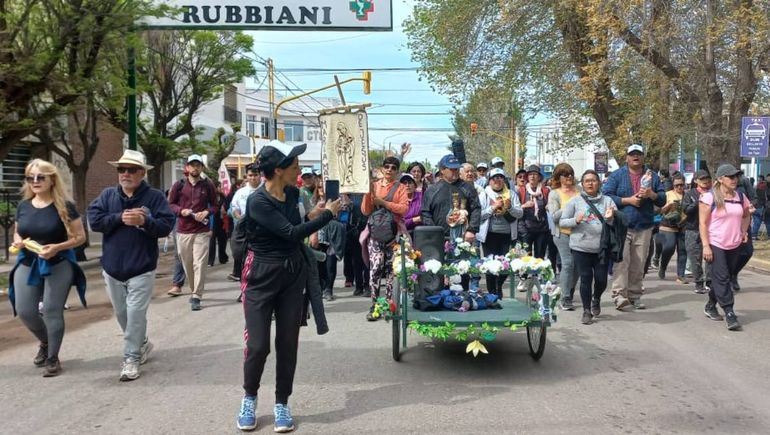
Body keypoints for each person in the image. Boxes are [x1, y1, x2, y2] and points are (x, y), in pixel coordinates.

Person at [236, 140, 341, 432]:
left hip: (292, 275)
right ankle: (250, 396)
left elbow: (298, 220)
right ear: (279, 170)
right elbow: (292, 233)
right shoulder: (257, 201)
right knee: (258, 346)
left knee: (287, 343)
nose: (299, 168)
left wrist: (316, 212)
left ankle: (282, 402)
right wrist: (329, 215)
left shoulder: (294, 192)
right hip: (260, 276)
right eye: (294, 164)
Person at [87, 149, 175, 381]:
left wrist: (145, 221)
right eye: (121, 169)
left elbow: (166, 225)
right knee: (122, 313)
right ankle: (142, 342)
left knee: (135, 313)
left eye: (131, 169)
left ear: (142, 173)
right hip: (112, 268)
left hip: (142, 267)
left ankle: (131, 358)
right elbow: (94, 220)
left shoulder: (155, 197)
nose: (125, 173)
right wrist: (119, 218)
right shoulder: (107, 196)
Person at [9, 159, 87, 377]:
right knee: (25, 311)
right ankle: (45, 342)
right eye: (30, 177)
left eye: (40, 177)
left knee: (52, 310)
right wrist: (18, 241)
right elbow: (18, 231)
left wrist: (58, 247)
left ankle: (53, 357)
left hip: (58, 262)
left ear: (52, 179)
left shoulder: (64, 206)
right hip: (27, 261)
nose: (35, 181)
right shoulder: (23, 206)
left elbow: (80, 237)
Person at [602, 144, 665, 310]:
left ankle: (635, 295)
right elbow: (606, 196)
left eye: (638, 154)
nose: (635, 157)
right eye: (632, 154)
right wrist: (627, 200)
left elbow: (663, 199)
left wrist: (651, 194)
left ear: (643, 157)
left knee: (639, 263)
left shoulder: (652, 176)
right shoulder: (617, 176)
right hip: (622, 226)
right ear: (627, 157)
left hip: (644, 226)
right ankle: (619, 296)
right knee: (622, 261)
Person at [559, 170, 617, 325]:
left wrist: (612, 218)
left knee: (601, 280)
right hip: (580, 247)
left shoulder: (608, 201)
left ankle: (596, 298)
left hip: (602, 247)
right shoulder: (575, 201)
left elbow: (617, 222)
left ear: (599, 183)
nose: (590, 183)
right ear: (583, 184)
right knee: (585, 278)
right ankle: (586, 310)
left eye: (593, 180)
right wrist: (575, 221)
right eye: (587, 181)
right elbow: (562, 222)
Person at [699, 164, 751, 331]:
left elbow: (746, 214)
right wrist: (706, 246)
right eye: (730, 177)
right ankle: (729, 312)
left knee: (724, 277)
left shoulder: (741, 197)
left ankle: (710, 305)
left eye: (736, 176)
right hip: (716, 243)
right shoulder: (709, 197)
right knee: (722, 278)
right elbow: (702, 223)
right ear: (720, 179)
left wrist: (743, 231)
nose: (734, 180)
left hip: (734, 243)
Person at [168, 154, 219, 311]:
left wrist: (207, 212)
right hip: (183, 230)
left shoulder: (207, 185)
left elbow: (215, 206)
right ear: (187, 167)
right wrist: (180, 211)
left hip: (201, 231)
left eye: (198, 165)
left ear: (202, 168)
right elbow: (170, 204)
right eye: (192, 165)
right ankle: (193, 288)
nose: (195, 168)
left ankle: (197, 295)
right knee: (187, 263)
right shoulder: (179, 185)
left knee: (200, 263)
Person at [361, 156, 409, 321]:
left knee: (392, 271)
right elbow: (365, 211)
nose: (389, 169)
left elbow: (404, 209)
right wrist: (368, 194)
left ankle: (390, 305)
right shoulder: (373, 186)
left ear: (397, 171)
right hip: (375, 234)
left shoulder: (401, 188)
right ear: (382, 168)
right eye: (387, 166)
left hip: (394, 235)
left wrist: (384, 203)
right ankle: (374, 305)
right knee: (375, 270)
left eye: (393, 167)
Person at [477, 168, 523, 298]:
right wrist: (493, 207)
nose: (497, 180)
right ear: (489, 181)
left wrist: (509, 207)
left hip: (507, 235)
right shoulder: (484, 194)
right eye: (494, 178)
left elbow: (520, 213)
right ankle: (492, 293)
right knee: (490, 264)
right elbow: (479, 216)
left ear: (504, 180)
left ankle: (499, 286)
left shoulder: (512, 194)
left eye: (500, 178)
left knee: (506, 264)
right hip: (489, 235)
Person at [547, 162, 580, 310]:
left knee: (577, 267)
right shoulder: (555, 193)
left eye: (571, 174)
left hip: (580, 233)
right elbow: (554, 217)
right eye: (566, 174)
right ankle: (565, 298)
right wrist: (569, 205)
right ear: (559, 177)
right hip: (562, 234)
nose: (569, 177)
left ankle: (569, 291)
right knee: (568, 264)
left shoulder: (579, 191)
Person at [229, 164, 261, 284]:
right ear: (246, 176)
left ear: (260, 175)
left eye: (256, 175)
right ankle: (244, 289)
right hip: (244, 232)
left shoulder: (266, 190)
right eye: (250, 175)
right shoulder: (240, 192)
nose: (253, 178)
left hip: (261, 232)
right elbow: (234, 208)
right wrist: (239, 217)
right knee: (243, 260)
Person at [683, 170, 713, 294]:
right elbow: (686, 210)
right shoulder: (690, 194)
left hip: (710, 230)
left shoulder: (714, 194)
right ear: (696, 181)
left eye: (707, 178)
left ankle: (710, 283)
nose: (705, 181)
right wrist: (698, 202)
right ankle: (699, 283)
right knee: (695, 258)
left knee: (711, 258)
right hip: (693, 230)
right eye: (702, 179)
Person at [657, 173, 688, 283]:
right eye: (677, 185)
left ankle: (681, 275)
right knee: (669, 247)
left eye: (681, 185)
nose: (679, 187)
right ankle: (663, 266)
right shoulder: (668, 194)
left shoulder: (687, 195)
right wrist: (668, 206)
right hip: (668, 225)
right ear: (673, 186)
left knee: (683, 251)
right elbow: (660, 211)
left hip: (683, 226)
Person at [517, 165, 551, 259]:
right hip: (525, 228)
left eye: (535, 174)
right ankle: (524, 274)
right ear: (527, 177)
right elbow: (514, 209)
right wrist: (524, 205)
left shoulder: (545, 190)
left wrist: (549, 206)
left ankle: (538, 274)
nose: (532, 176)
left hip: (541, 228)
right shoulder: (521, 191)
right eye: (530, 174)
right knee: (525, 257)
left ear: (539, 177)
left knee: (540, 256)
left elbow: (549, 205)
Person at [342, 193, 369, 295]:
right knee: (356, 260)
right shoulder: (348, 194)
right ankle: (359, 286)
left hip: (367, 228)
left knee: (367, 258)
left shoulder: (368, 192)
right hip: (353, 229)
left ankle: (367, 286)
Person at [208, 180, 230, 267]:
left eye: (221, 187)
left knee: (222, 241)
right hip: (213, 222)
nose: (220, 188)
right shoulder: (210, 197)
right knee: (212, 242)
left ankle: (223, 258)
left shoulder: (223, 197)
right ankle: (210, 261)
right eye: (219, 186)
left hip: (222, 222)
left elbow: (227, 206)